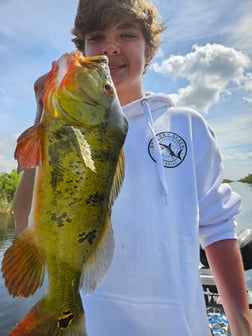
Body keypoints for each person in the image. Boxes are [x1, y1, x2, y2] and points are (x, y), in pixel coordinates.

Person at [14, 0, 252, 335]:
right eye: (96, 37)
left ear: (150, 51)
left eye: (127, 34)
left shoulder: (187, 126)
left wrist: (241, 323)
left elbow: (218, 228)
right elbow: (25, 222)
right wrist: (43, 116)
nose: (110, 46)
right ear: (83, 49)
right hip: (91, 325)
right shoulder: (59, 127)